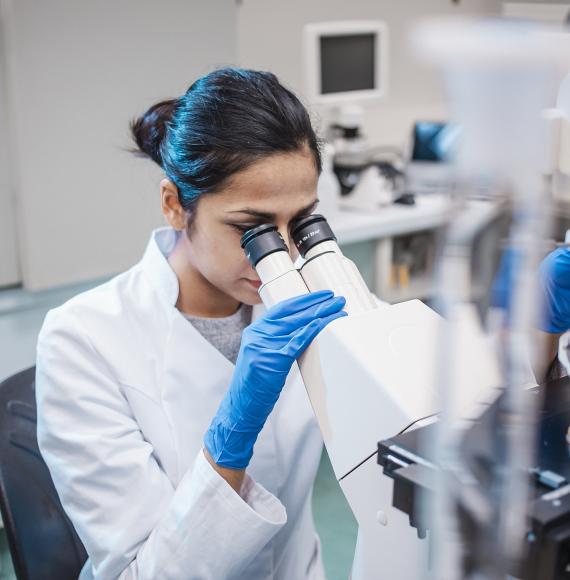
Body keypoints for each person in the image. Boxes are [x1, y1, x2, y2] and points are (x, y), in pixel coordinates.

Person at [35, 68, 347, 580]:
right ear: (175, 205)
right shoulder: (82, 340)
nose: (283, 254)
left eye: (301, 221)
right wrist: (231, 434)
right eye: (252, 229)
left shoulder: (305, 296)